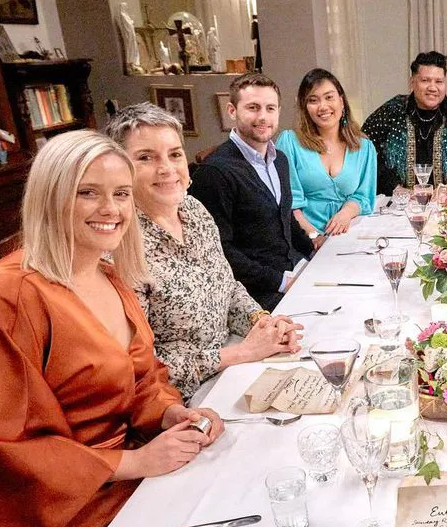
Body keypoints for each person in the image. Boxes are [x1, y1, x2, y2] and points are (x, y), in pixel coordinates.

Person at [0, 130, 225, 527]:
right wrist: (134, 464)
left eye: (121, 193)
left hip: (129, 480)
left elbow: (143, 379)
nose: (111, 209)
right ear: (51, 197)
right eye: (88, 193)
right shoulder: (4, 295)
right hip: (56, 519)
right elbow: (4, 445)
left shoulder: (109, 275)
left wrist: (173, 414)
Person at [105, 103, 303, 403]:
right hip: (181, 402)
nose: (167, 169)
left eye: (174, 154)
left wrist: (261, 322)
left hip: (232, 369)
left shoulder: (193, 211)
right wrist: (241, 353)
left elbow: (228, 286)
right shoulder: (120, 246)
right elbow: (136, 369)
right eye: (146, 157)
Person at [190, 73, 317, 310]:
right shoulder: (214, 172)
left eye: (270, 108)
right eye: (253, 107)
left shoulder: (280, 160)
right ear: (232, 111)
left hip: (294, 272)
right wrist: (281, 282)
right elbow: (219, 250)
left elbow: (285, 218)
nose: (263, 117)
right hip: (257, 295)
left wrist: (314, 251)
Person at [362, 51, 447, 196]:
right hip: (398, 204)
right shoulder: (393, 110)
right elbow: (364, 148)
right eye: (425, 80)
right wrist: (394, 187)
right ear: (412, 82)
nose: (432, 88)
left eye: (439, 81)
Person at [277, 68, 377, 238]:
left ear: (342, 101)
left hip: (349, 235)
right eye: (313, 100)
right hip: (302, 238)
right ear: (305, 107)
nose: (323, 107)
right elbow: (288, 202)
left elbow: (363, 197)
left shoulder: (364, 147)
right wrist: (314, 237)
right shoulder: (289, 142)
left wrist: (345, 214)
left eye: (329, 97)